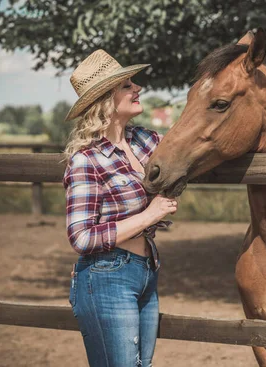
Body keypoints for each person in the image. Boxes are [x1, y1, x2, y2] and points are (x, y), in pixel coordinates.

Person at [62, 49, 177, 367]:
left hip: (146, 272)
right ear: (104, 101)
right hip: (106, 275)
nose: (137, 88)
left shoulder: (145, 141)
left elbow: (192, 150)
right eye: (127, 85)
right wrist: (149, 215)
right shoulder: (86, 160)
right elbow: (81, 238)